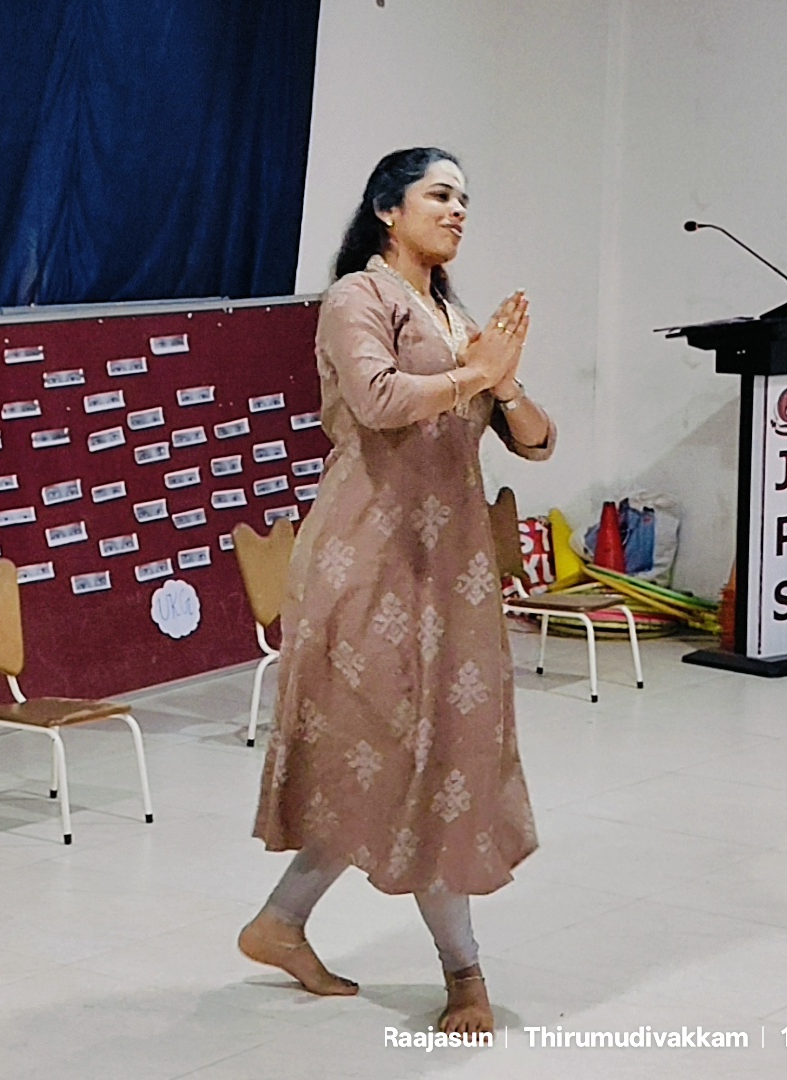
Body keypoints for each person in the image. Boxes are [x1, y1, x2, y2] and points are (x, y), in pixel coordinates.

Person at [239, 147, 555, 1035]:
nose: (457, 211)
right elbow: (379, 401)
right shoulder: (357, 298)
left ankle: (280, 923)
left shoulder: (455, 317)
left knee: (437, 757)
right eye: (439, 194)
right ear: (388, 208)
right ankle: (465, 975)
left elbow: (537, 441)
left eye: (465, 200)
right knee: (388, 753)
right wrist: (476, 374)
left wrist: (507, 386)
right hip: (369, 560)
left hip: (452, 569)